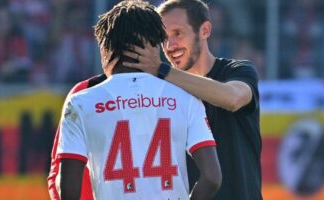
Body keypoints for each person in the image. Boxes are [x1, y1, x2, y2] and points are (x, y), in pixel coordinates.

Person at [49, 1, 221, 199]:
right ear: (156, 45)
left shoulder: (81, 102)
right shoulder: (186, 97)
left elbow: (67, 188)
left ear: (105, 48)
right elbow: (212, 177)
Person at [122, 0, 263, 199]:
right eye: (164, 39)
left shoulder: (238, 70)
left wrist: (162, 70)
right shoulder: (163, 88)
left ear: (205, 30)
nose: (169, 46)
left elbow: (233, 98)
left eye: (178, 33)